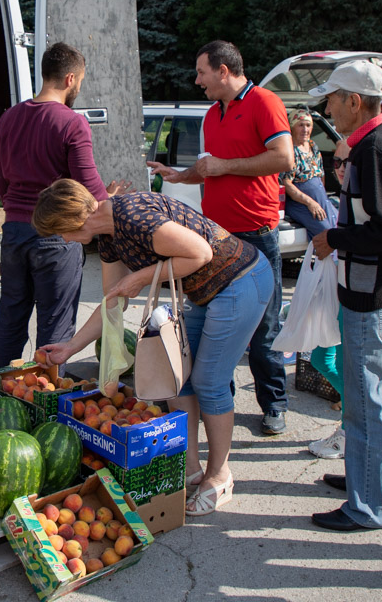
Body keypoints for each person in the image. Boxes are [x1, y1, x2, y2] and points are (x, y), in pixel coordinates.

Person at [37, 180, 272, 516]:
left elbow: (201, 252)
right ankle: (191, 468)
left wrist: (143, 276)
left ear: (75, 219)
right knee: (176, 377)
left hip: (240, 279)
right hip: (205, 290)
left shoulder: (133, 216)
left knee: (209, 381)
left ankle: (220, 476)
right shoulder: (107, 236)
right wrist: (69, 349)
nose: (63, 240)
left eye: (61, 231)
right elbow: (112, 304)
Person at [148, 40, 294, 435]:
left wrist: (223, 165)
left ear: (224, 71)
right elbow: (211, 168)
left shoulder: (265, 102)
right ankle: (220, 403)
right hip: (216, 239)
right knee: (213, 325)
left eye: (202, 73)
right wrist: (181, 175)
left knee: (263, 330)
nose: (198, 81)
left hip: (256, 237)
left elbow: (284, 158)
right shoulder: (213, 114)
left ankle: (274, 403)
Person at [308, 60, 382, 532]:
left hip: (371, 294)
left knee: (363, 400)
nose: (328, 107)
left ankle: (368, 506)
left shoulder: (375, 148)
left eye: (333, 99)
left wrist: (334, 239)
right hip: (380, 289)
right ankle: (370, 482)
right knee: (367, 395)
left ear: (355, 102)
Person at [0, 42, 116, 370]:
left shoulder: (9, 118)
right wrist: (109, 200)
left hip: (13, 231)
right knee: (54, 325)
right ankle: (44, 402)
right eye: (81, 82)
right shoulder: (72, 123)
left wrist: (19, 211)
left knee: (10, 315)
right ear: (71, 79)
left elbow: (1, 182)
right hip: (55, 236)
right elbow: (88, 185)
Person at [306, 138, 349, 460]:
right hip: (336, 294)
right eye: (336, 163)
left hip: (352, 298)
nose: (341, 169)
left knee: (331, 361)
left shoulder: (360, 200)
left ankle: (350, 424)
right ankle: (350, 413)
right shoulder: (342, 200)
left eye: (347, 162)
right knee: (323, 359)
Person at [280, 108, 336, 236]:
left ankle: (332, 256)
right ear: (292, 127)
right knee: (325, 233)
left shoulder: (313, 146)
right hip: (300, 203)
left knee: (337, 226)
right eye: (300, 125)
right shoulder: (290, 151)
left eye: (308, 125)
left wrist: (321, 197)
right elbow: (287, 184)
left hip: (320, 200)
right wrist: (310, 202)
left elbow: (321, 175)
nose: (305, 129)